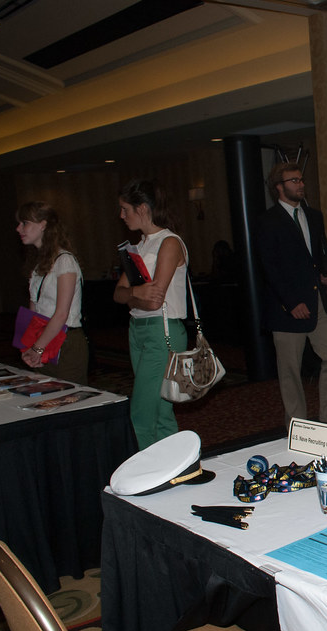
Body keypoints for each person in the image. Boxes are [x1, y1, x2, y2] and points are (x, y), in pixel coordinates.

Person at [255, 162, 327, 426]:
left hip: (318, 301)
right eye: (294, 181)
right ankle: (298, 425)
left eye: (301, 179)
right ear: (279, 188)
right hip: (287, 309)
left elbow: (324, 250)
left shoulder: (314, 216)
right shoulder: (267, 221)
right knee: (290, 371)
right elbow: (268, 266)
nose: (301, 185)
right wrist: (291, 302)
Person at [112, 179, 188, 449]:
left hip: (162, 332)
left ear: (142, 208)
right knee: (160, 411)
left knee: (141, 412)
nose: (122, 216)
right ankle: (175, 469)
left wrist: (134, 295)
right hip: (138, 331)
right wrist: (136, 294)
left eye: (125, 209)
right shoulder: (139, 246)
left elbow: (155, 299)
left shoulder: (168, 242)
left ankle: (145, 476)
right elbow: (118, 294)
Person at [15, 201, 88, 385]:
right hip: (44, 338)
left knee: (69, 401)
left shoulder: (65, 261)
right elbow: (35, 309)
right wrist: (29, 345)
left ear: (43, 224)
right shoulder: (39, 263)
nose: (18, 228)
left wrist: (37, 348)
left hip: (66, 341)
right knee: (45, 397)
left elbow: (61, 313)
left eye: (25, 223)